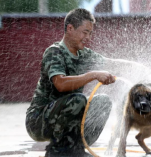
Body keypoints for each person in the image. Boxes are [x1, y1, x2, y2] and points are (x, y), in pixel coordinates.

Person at [25, 8, 116, 157]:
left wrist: (142, 69)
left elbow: (112, 63)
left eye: (90, 33)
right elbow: (60, 84)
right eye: (85, 32)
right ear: (70, 28)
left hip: (66, 116)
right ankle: (58, 151)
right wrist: (93, 75)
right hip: (38, 121)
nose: (88, 37)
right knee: (78, 100)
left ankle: (76, 147)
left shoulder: (84, 54)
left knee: (103, 102)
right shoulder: (54, 52)